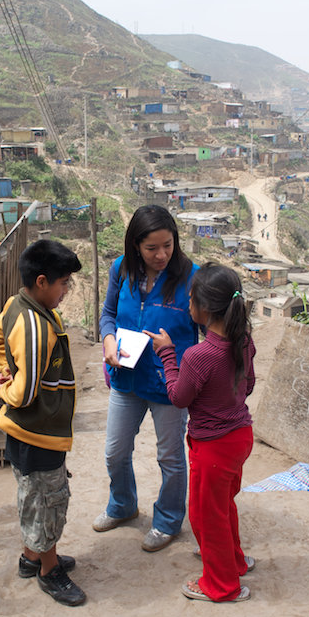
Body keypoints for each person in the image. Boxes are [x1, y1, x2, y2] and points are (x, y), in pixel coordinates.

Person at [145, 263, 256, 603]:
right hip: (240, 436)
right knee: (222, 506)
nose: (187, 304)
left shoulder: (198, 356)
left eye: (190, 298)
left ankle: (222, 585)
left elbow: (179, 398)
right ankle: (234, 561)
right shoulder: (243, 342)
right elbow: (249, 385)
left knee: (205, 516)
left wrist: (167, 355)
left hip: (213, 447)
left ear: (204, 308)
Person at [0, 239, 85, 606]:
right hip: (37, 431)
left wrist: (7, 369)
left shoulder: (18, 304)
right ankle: (49, 570)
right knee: (48, 500)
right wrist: (7, 388)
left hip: (29, 431)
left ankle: (32, 557)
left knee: (35, 494)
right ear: (42, 281)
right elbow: (25, 395)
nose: (66, 290)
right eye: (63, 283)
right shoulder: (35, 327)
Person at [94, 204, 199, 553]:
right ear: (135, 245)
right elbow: (108, 314)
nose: (161, 255)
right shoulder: (121, 269)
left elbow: (212, 328)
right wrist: (108, 339)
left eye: (168, 245)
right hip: (126, 377)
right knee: (115, 452)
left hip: (170, 384)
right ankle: (123, 505)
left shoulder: (191, 277)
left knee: (170, 456)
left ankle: (167, 520)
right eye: (152, 248)